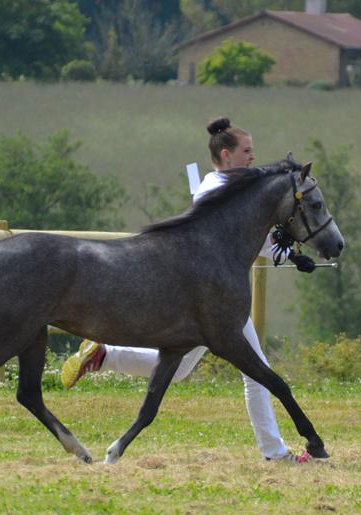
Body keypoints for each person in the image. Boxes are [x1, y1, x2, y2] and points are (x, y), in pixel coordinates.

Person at [59, 117, 313, 462]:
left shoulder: (231, 190)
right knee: (256, 374)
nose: (253, 157)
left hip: (215, 298)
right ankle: (275, 452)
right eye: (247, 151)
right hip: (209, 300)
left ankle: (105, 354)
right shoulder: (213, 189)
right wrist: (284, 251)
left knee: (178, 370)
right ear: (226, 155)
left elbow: (252, 239)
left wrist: (290, 253)